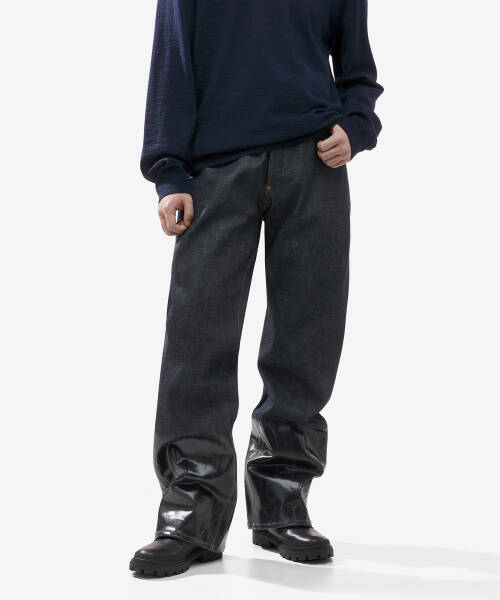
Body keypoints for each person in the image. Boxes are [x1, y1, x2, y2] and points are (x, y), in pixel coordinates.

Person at [130, 0, 383, 577]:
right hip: (216, 171)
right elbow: (171, 64)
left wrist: (356, 127)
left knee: (307, 337)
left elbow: (358, 69)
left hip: (315, 164)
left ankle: (281, 503)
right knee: (197, 340)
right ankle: (191, 512)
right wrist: (168, 171)